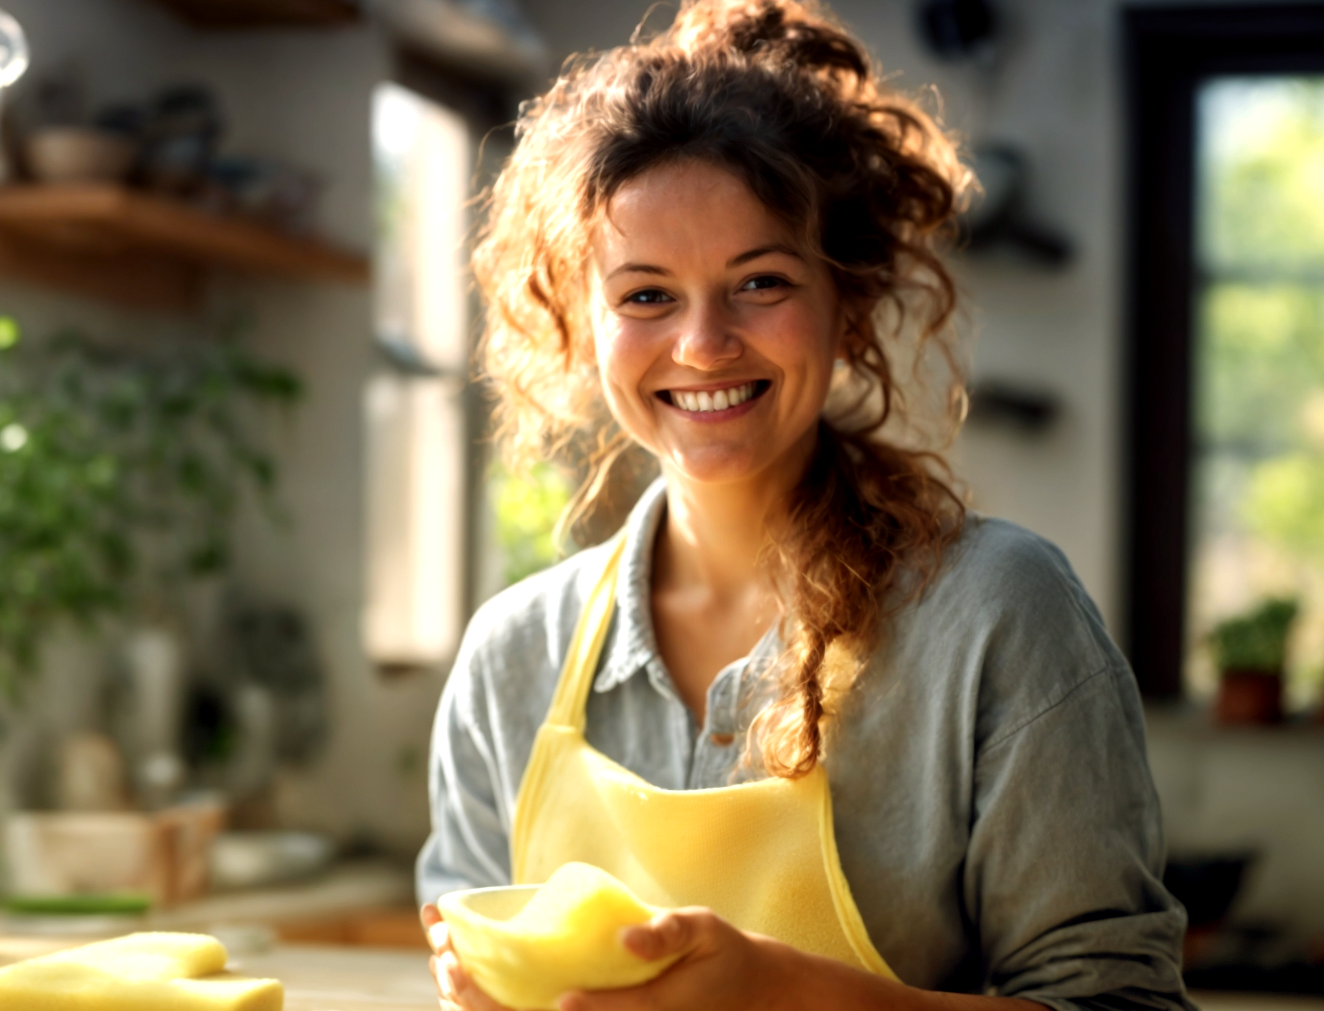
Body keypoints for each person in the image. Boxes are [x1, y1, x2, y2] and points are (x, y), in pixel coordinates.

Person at [414, 2, 1194, 1010]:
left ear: (849, 298)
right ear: (579, 323)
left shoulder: (999, 619)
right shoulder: (510, 659)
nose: (702, 344)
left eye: (760, 282)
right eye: (645, 295)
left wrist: (793, 999)